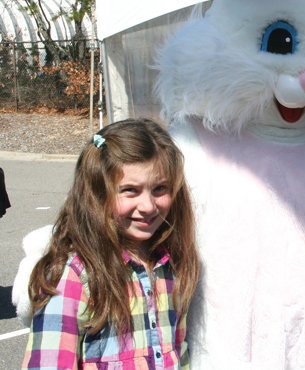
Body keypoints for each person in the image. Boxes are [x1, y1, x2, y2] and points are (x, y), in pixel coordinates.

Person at [22, 118, 200, 370]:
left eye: (160, 188)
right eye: (130, 190)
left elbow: (179, 354)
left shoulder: (172, 266)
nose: (148, 206)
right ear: (97, 192)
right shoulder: (73, 277)